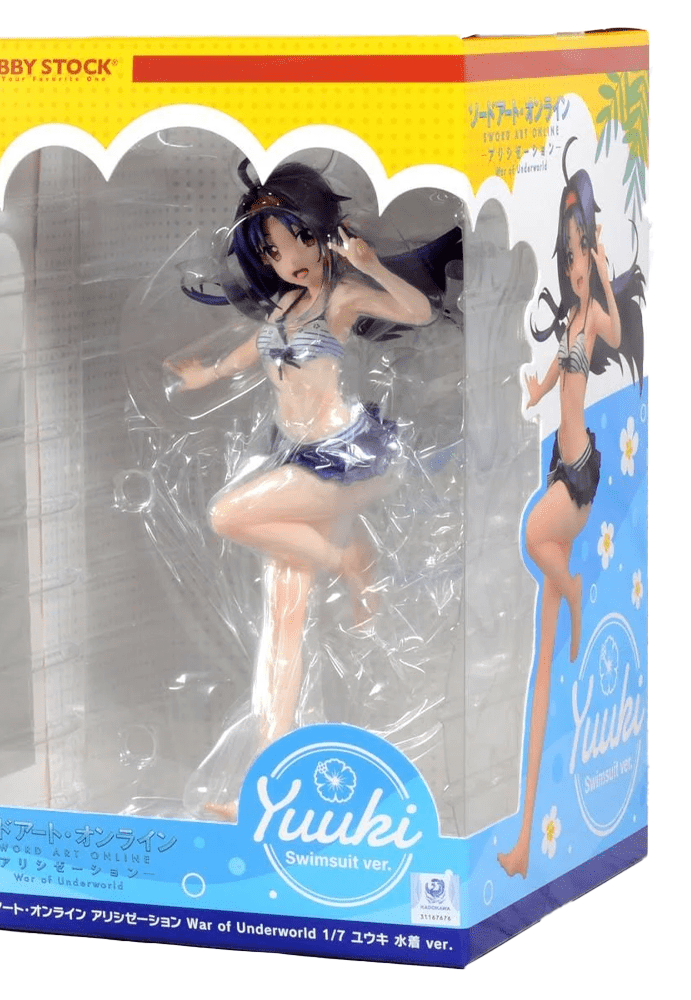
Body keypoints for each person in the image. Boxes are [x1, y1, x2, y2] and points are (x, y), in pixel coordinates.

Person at [166, 161, 449, 814]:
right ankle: (267, 786)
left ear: (321, 230)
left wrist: (371, 265)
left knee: (227, 514)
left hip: (345, 458)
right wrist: (209, 374)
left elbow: (417, 310)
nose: (289, 258)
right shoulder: (286, 305)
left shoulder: (341, 297)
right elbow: (257, 348)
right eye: (272, 250)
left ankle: (348, 558)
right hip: (298, 458)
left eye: (296, 238)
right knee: (282, 628)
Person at [499, 139, 644, 877]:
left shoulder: (593, 316)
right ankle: (526, 842)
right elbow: (558, 372)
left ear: (594, 248)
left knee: (534, 534)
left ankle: (577, 589)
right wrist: (532, 390)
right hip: (559, 461)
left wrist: (607, 277)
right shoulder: (567, 322)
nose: (574, 261)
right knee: (541, 665)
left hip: (581, 470)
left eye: (581, 247)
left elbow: (612, 334)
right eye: (570, 250)